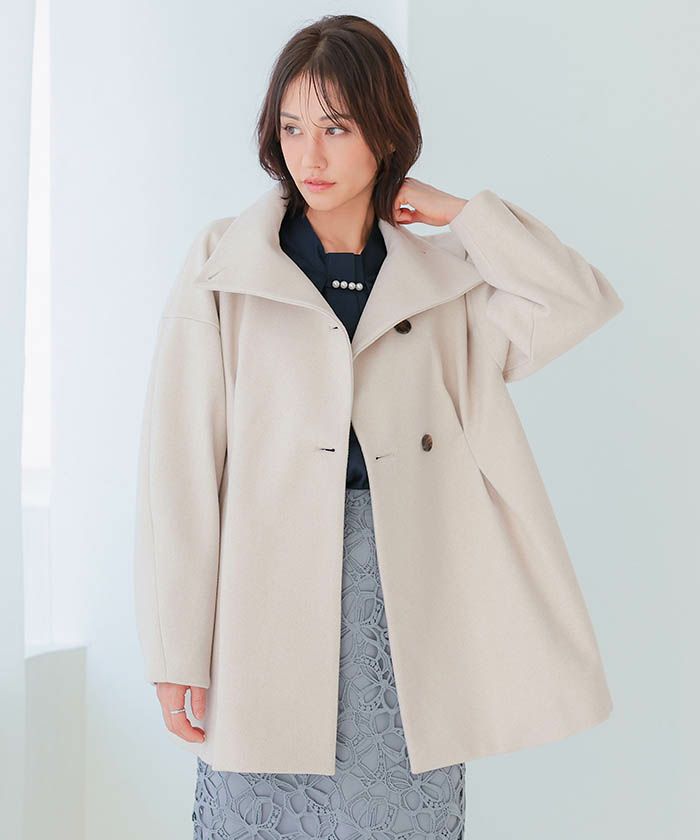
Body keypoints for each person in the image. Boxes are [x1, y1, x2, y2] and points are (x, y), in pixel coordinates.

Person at [132, 14, 624, 840]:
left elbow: (577, 300)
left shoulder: (443, 279)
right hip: (262, 596)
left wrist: (464, 215)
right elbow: (178, 467)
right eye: (292, 127)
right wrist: (175, 647)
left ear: (384, 131)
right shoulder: (226, 263)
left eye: (336, 127)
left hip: (407, 594)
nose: (310, 156)